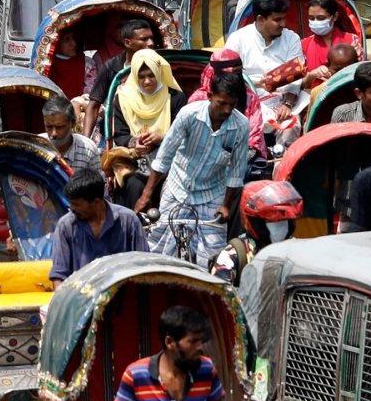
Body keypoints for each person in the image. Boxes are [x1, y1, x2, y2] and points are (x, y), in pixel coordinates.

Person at [136, 72, 250, 267]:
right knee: (158, 246)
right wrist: (146, 195)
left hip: (212, 192)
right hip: (178, 185)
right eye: (221, 103)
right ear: (209, 96)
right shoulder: (189, 115)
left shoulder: (241, 126)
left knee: (214, 257)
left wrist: (225, 205)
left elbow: (236, 173)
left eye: (231, 105)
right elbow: (164, 156)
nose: (226, 110)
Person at [112, 306, 225, 401]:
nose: (200, 348)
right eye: (193, 341)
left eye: (201, 341)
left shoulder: (207, 370)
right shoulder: (135, 375)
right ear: (169, 342)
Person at [48, 169, 147, 288]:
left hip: (121, 296)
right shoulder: (66, 225)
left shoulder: (128, 220)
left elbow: (144, 264)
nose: (72, 208)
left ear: (96, 202)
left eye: (77, 204)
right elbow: (59, 274)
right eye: (71, 203)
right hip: (81, 298)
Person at [224, 0, 303, 124]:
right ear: (260, 19)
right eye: (277, 20)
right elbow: (227, 76)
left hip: (282, 100)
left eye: (284, 18)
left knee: (292, 125)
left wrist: (287, 103)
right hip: (246, 100)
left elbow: (295, 76)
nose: (283, 24)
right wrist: (258, 84)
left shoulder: (291, 38)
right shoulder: (238, 39)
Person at [211, 180, 303, 285]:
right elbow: (218, 296)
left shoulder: (295, 250)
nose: (280, 226)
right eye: (272, 221)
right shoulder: (233, 255)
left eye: (284, 220)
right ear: (256, 222)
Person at [83, 19, 157, 139]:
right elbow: (94, 105)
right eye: (144, 39)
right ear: (127, 43)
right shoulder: (112, 67)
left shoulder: (160, 65)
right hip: (120, 131)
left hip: (154, 128)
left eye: (151, 38)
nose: (150, 43)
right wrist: (85, 141)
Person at [188, 49, 268, 160]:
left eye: (239, 73)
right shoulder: (197, 100)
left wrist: (239, 157)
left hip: (241, 157)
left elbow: (255, 135)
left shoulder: (250, 98)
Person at [113, 49, 186, 163]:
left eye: (151, 75)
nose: (147, 81)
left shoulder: (175, 97)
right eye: (141, 77)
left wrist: (160, 138)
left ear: (159, 72)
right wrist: (134, 142)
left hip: (169, 156)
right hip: (135, 158)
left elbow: (181, 133)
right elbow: (120, 134)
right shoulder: (123, 98)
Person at [301, 0, 364, 87]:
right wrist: (312, 75)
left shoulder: (351, 40)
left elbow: (361, 74)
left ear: (334, 16)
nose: (315, 22)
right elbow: (300, 85)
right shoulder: (304, 45)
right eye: (311, 18)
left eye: (321, 18)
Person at [40, 96, 101, 175]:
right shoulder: (36, 147)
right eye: (49, 127)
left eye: (59, 127)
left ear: (72, 123)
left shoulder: (88, 149)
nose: (53, 133)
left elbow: (98, 184)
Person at [48, 29, 86, 99]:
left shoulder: (84, 62)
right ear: (57, 42)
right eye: (67, 39)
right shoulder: (48, 67)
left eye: (74, 38)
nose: (74, 44)